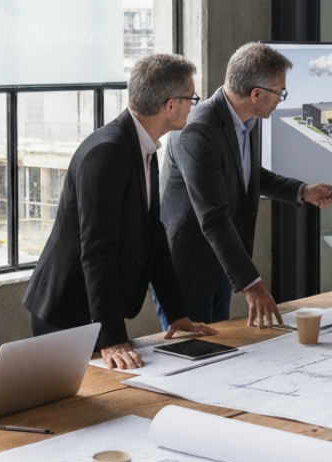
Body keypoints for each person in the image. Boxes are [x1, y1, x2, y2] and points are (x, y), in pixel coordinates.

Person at [22, 53, 215, 370]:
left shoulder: (145, 146)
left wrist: (178, 314)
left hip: (91, 310)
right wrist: (111, 338)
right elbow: (98, 251)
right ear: (170, 105)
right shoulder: (108, 152)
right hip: (67, 312)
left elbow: (155, 237)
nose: (193, 105)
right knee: (76, 413)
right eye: (190, 98)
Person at [160, 42, 332, 328]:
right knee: (195, 359)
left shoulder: (245, 122)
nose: (281, 98)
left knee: (218, 355)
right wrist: (252, 284)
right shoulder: (198, 131)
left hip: (220, 264)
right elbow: (213, 217)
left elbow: (248, 174)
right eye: (280, 92)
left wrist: (302, 191)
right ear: (256, 94)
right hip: (188, 270)